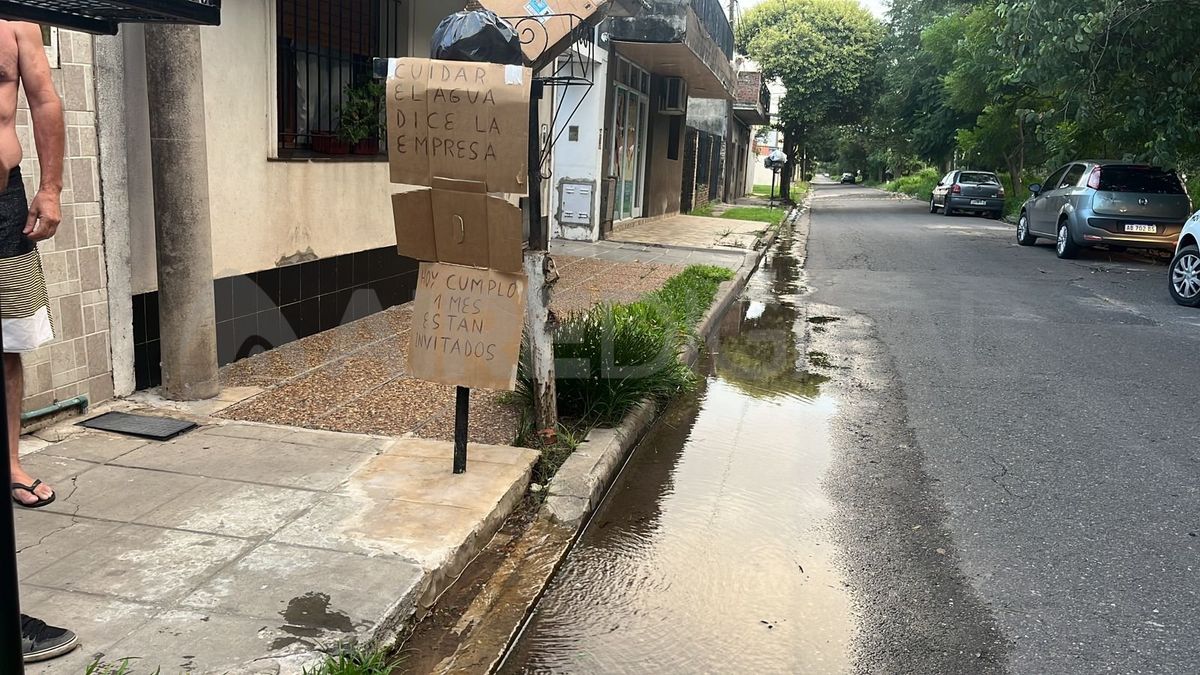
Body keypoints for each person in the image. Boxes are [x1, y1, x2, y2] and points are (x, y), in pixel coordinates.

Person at [0, 20, 78, 663]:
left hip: (4, 203)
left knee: (7, 342)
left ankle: (9, 461)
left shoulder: (16, 24)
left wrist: (49, 188)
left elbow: (44, 99)